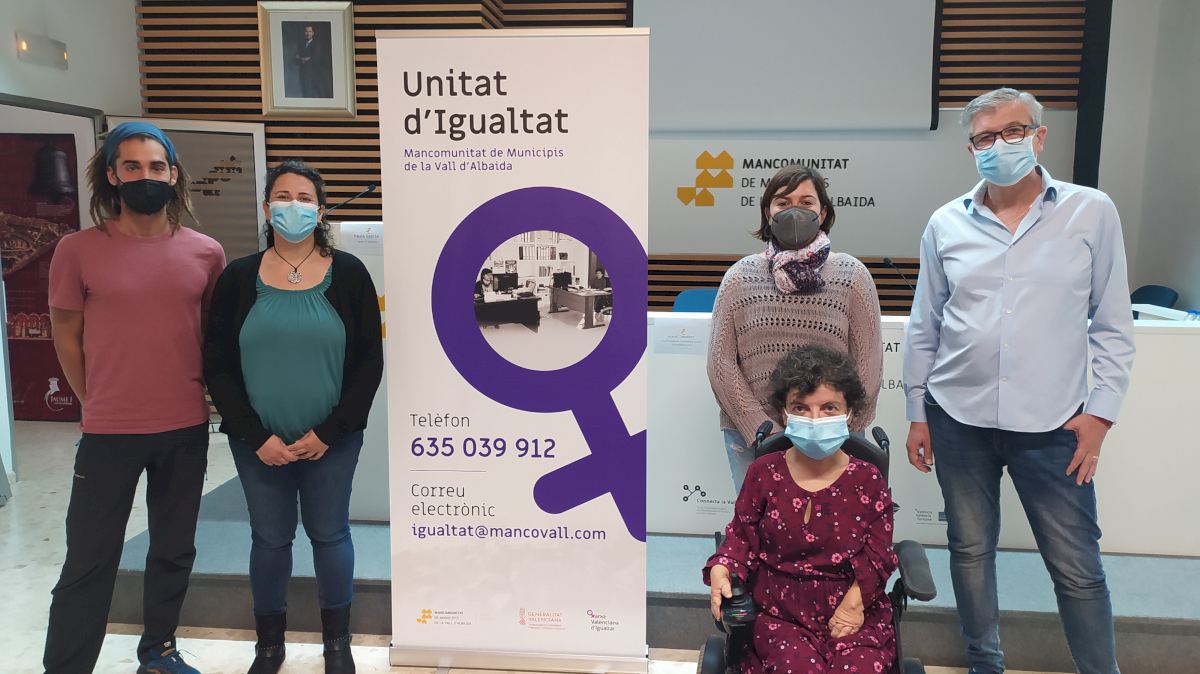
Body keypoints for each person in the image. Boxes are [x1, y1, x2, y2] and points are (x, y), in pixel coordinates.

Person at [903, 88, 1134, 674]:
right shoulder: (945, 223)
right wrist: (916, 412)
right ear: (970, 149)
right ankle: (986, 664)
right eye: (984, 138)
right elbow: (926, 325)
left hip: (1055, 424)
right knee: (970, 552)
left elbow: (1112, 323)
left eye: (1012, 131)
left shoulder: (1091, 212)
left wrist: (1100, 415)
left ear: (1039, 135)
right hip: (958, 417)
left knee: (1077, 567)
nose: (998, 145)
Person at [44, 122, 226, 674]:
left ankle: (159, 653)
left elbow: (210, 334)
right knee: (89, 558)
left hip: (184, 429)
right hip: (108, 434)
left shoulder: (206, 253)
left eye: (156, 166)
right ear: (112, 175)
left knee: (173, 550)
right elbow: (65, 335)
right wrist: (93, 399)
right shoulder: (76, 250)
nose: (145, 176)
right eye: (132, 166)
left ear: (173, 175)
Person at [203, 160, 383, 674]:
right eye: (283, 196)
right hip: (258, 444)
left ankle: (337, 644)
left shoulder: (350, 274)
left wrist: (330, 431)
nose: (294, 206)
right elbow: (217, 364)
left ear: (321, 211)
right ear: (267, 208)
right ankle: (269, 646)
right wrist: (254, 435)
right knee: (269, 539)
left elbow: (369, 362)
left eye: (305, 198)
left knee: (330, 535)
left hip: (332, 441)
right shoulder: (239, 278)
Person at [705, 344, 897, 673]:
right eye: (801, 408)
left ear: (849, 412)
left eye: (829, 407)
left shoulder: (867, 478)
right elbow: (741, 538)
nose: (815, 419)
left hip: (853, 604)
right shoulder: (764, 472)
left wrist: (854, 605)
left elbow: (879, 554)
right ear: (784, 413)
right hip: (780, 613)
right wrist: (723, 567)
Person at [708, 164, 883, 491]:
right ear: (768, 212)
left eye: (806, 202)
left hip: (832, 434)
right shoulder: (739, 278)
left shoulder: (852, 276)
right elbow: (721, 364)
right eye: (783, 202)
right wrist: (763, 430)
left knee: (836, 520)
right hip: (754, 437)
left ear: (823, 212)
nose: (794, 211)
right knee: (759, 520)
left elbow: (869, 364)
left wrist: (842, 428)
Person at [293, 24, 331, 98]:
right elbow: (295, 59)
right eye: (306, 31)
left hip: (313, 75)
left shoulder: (317, 45)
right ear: (304, 33)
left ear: (313, 33)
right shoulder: (302, 45)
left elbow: (315, 59)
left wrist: (302, 59)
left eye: (310, 31)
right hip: (303, 75)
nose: (308, 33)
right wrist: (303, 59)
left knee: (311, 94)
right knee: (305, 93)